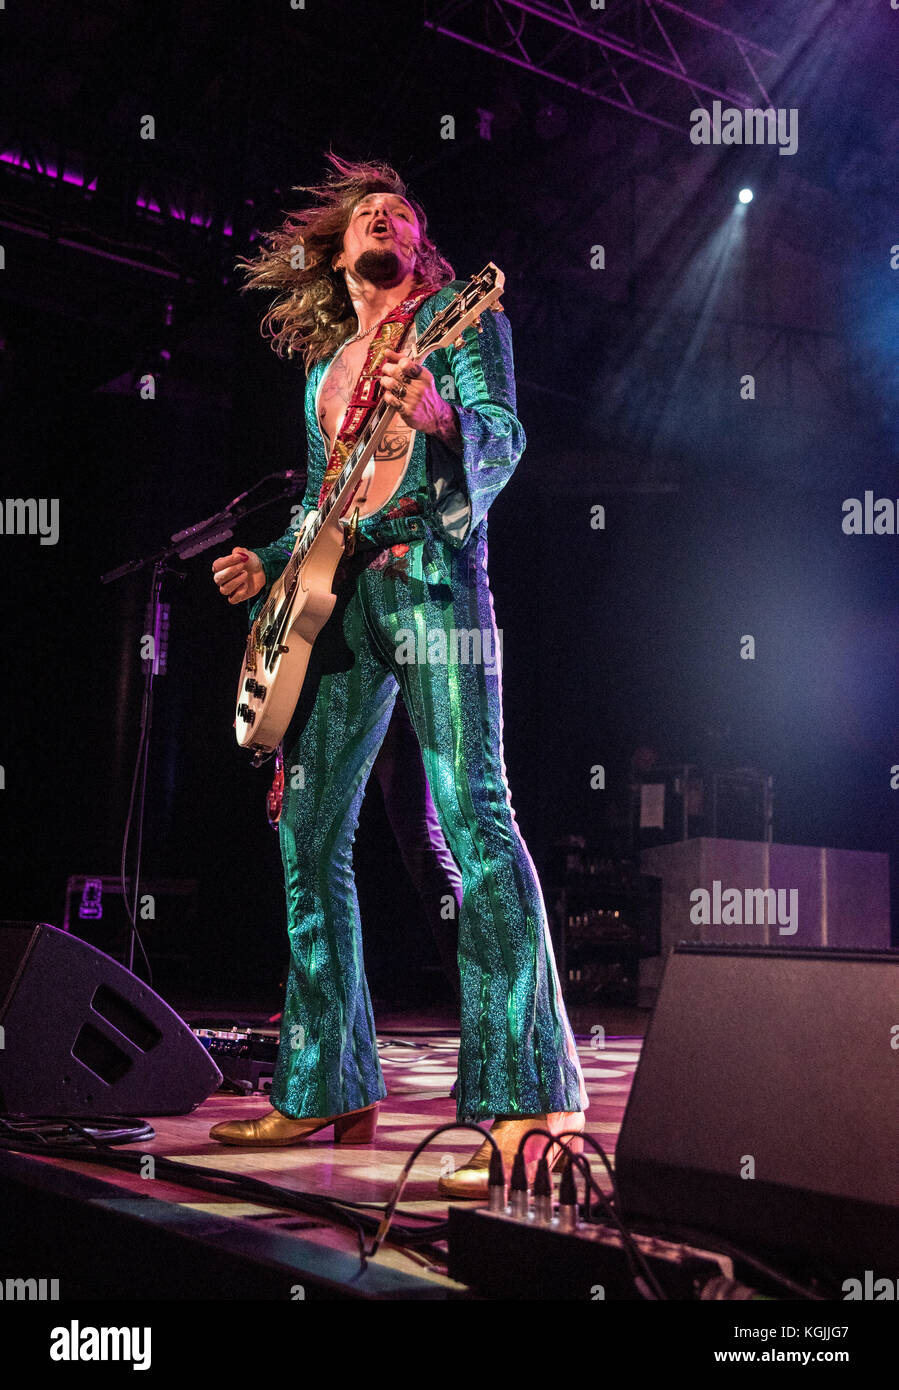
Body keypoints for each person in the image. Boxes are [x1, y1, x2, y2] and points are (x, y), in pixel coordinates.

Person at [209, 154, 587, 1196]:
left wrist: (438, 422)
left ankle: (526, 1101)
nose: (384, 215)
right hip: (340, 609)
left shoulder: (459, 324)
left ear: (416, 249)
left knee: (472, 814)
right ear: (337, 255)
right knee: (306, 831)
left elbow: (502, 439)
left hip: (429, 581)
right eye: (365, 211)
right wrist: (269, 567)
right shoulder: (322, 374)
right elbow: (314, 510)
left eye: (402, 210)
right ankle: (325, 1079)